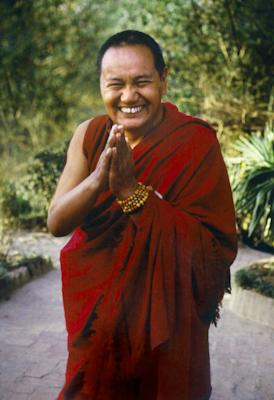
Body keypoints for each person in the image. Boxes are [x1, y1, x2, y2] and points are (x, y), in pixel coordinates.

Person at [47, 30, 237, 400]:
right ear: (101, 85)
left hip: (168, 332)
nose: (128, 96)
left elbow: (213, 252)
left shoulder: (195, 143)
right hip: (98, 323)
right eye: (115, 84)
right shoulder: (89, 133)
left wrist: (133, 194)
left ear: (164, 78)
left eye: (142, 82)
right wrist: (100, 179)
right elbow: (56, 221)